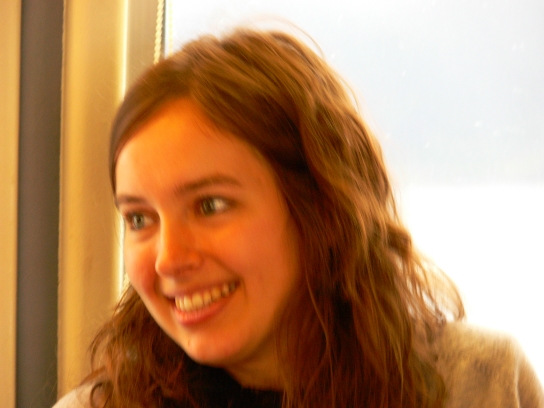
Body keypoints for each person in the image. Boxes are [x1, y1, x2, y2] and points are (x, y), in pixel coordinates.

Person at [54, 27, 543, 408]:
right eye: (139, 219)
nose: (168, 258)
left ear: (321, 207)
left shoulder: (480, 385)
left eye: (210, 206)